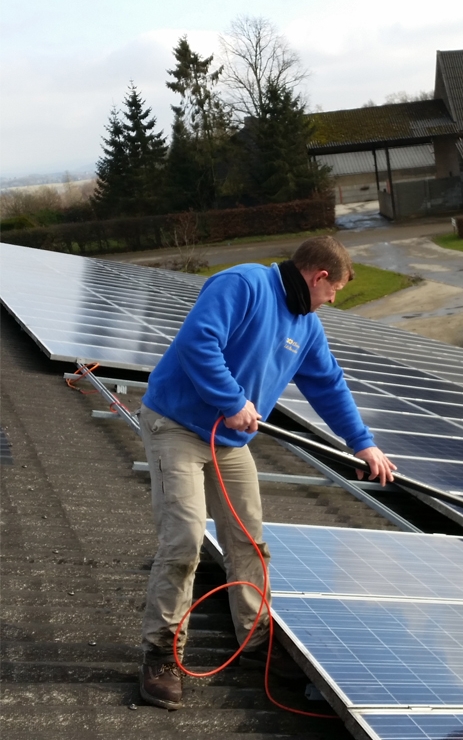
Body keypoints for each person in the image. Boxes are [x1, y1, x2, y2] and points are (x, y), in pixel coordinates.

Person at [137, 236, 396, 710]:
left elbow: (328, 385)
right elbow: (199, 342)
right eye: (333, 291)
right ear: (319, 277)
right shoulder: (244, 284)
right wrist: (232, 400)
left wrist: (363, 443)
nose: (331, 301)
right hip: (175, 425)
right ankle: (161, 653)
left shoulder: (306, 326)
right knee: (184, 539)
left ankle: (253, 645)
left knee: (249, 542)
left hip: (229, 442)